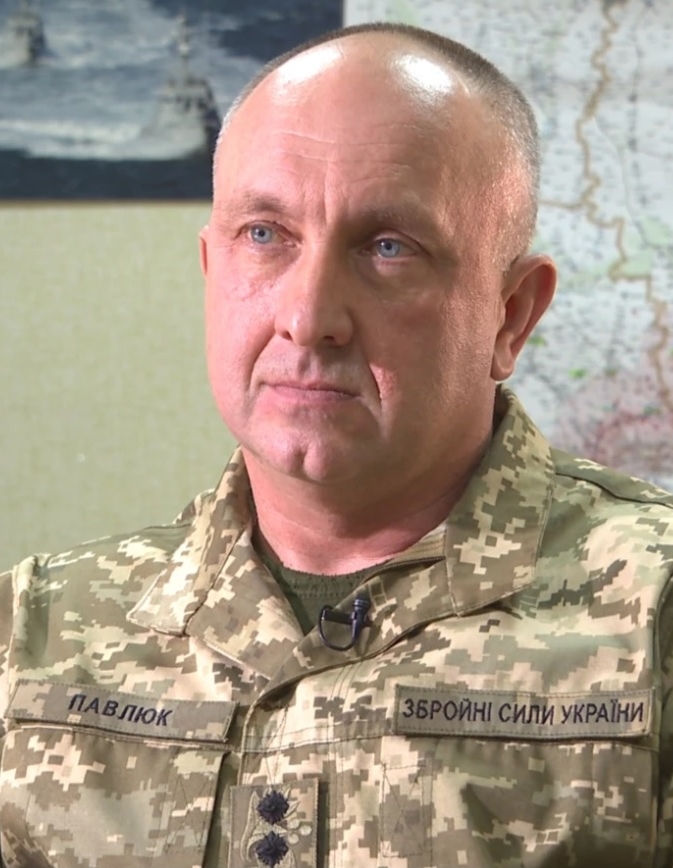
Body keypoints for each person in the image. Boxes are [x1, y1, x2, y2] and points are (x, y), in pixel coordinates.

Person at [0, 20, 672, 868]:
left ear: (510, 316)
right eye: (264, 235)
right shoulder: (35, 633)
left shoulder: (653, 613)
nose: (308, 317)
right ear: (211, 273)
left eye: (388, 248)